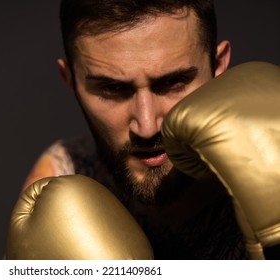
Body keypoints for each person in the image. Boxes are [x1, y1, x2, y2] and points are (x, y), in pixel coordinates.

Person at [20, 0, 248, 259]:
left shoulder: (269, 169)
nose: (147, 127)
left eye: (173, 82)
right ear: (70, 80)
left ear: (217, 66)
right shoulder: (63, 175)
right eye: (112, 88)